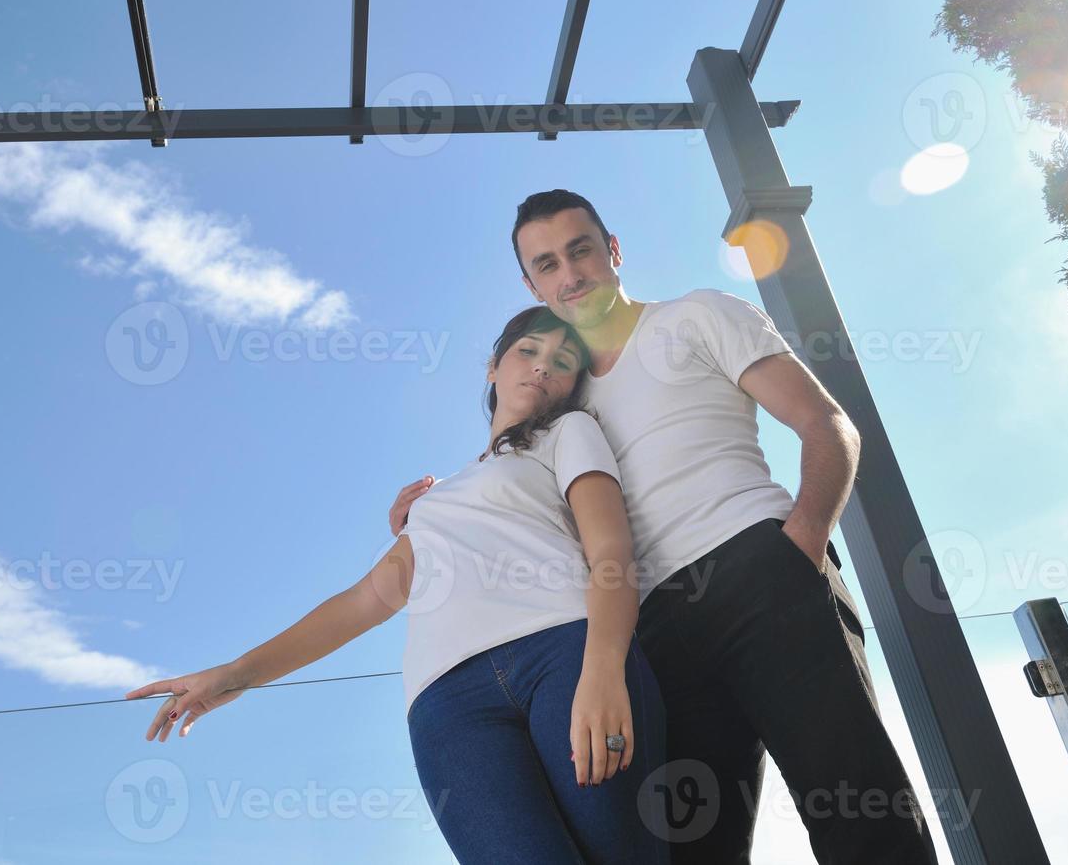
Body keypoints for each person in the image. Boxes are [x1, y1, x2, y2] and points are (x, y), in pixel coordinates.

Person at [392, 190, 939, 864]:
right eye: (547, 264)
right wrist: (431, 505)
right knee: (692, 849)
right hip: (650, 632)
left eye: (581, 249)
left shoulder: (697, 315)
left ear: (613, 250)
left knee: (857, 807)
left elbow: (829, 427)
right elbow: (511, 489)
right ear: (531, 283)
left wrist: (803, 543)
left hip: (762, 572)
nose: (570, 274)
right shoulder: (563, 400)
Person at [126, 305, 672, 865]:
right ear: (493, 367)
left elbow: (610, 553)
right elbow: (365, 600)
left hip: (563, 657)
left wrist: (603, 669)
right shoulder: (432, 501)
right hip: (448, 704)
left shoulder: (570, 432)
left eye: (562, 362)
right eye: (528, 351)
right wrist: (234, 674)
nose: (541, 368)